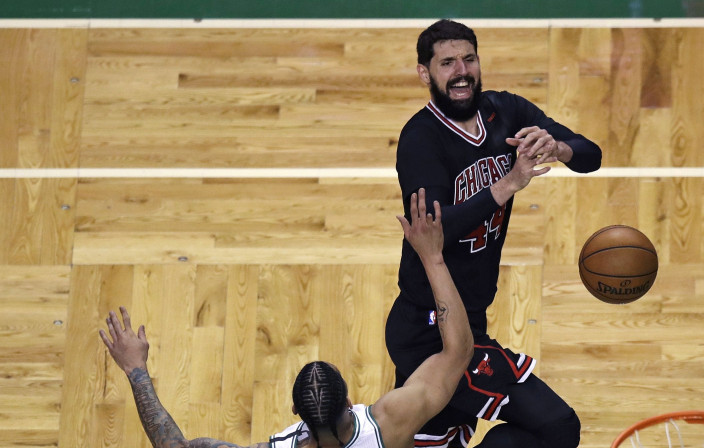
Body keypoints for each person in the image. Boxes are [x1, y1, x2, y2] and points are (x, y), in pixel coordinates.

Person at [100, 188, 474, 448]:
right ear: (349, 402)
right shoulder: (391, 423)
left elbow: (174, 446)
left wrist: (135, 370)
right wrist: (432, 257)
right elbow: (458, 351)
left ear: (295, 412)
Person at [386, 19, 602, 448]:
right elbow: (435, 233)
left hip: (470, 320)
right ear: (425, 73)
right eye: (447, 63)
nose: (461, 71)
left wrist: (557, 148)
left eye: (469, 59)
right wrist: (507, 185)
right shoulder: (420, 140)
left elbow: (590, 155)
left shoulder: (508, 112)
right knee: (557, 426)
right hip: (429, 331)